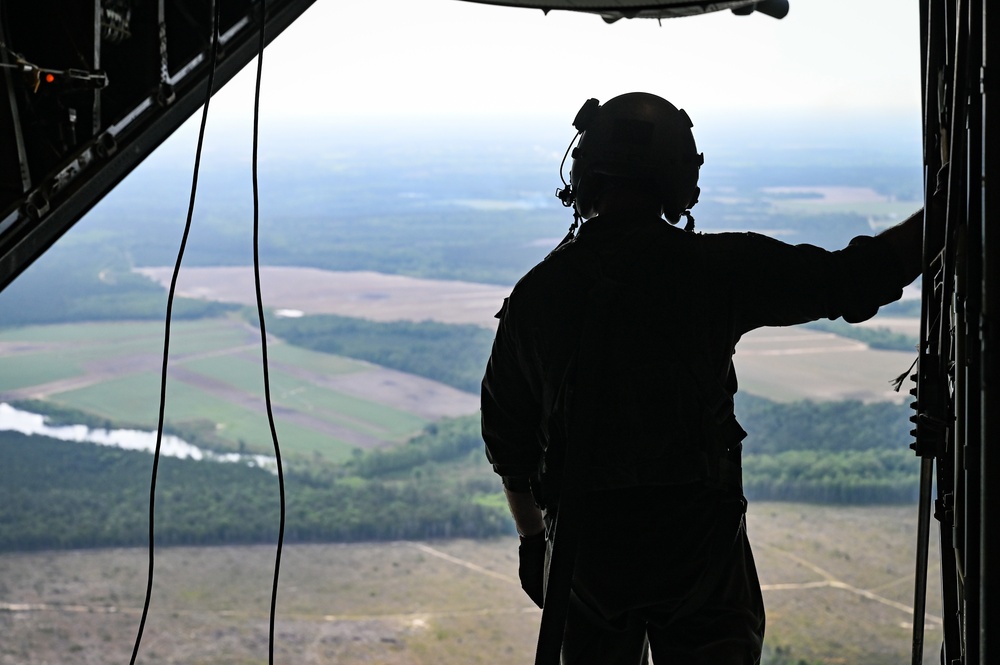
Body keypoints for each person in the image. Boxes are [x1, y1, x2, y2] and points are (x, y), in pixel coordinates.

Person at [480, 92, 930, 665]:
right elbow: (853, 279)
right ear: (679, 178)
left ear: (584, 175)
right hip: (699, 549)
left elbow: (510, 448)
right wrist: (951, 210)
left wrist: (535, 544)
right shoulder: (715, 271)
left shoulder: (536, 296)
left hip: (586, 557)